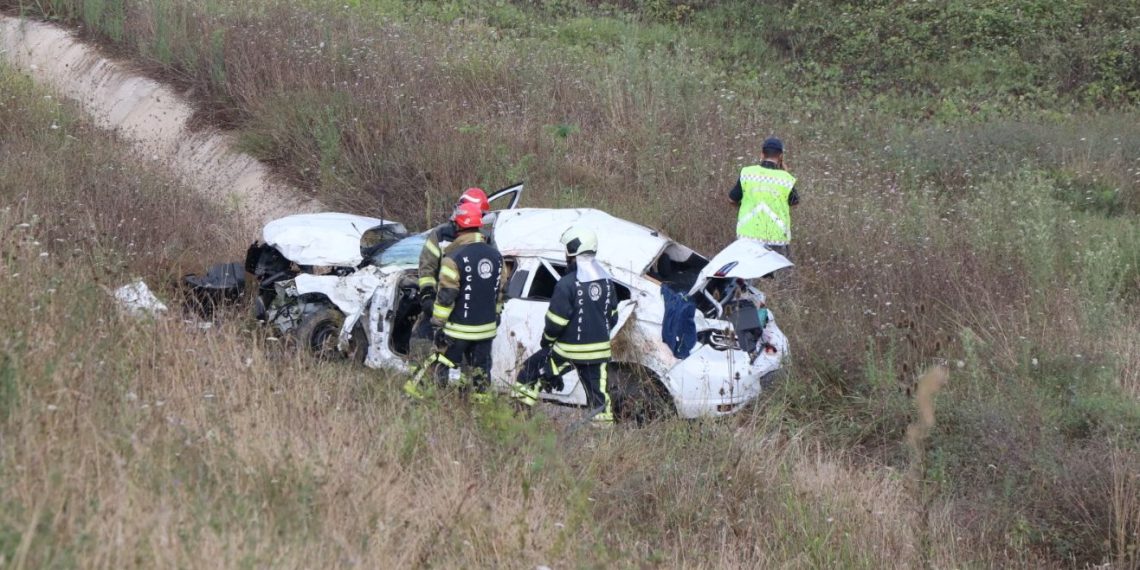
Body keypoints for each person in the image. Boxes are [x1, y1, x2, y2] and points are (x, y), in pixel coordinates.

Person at [511, 227, 619, 425]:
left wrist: (547, 342)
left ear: (572, 252)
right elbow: (612, 316)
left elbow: (556, 322)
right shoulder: (607, 281)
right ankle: (603, 439)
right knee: (599, 397)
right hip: (599, 353)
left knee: (531, 370)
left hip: (566, 352)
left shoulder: (566, 284)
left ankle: (520, 418)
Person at [404, 202, 506, 400]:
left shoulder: (454, 258)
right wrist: (496, 315)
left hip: (457, 331)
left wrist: (437, 325)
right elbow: (500, 293)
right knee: (480, 377)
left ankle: (419, 400)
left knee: (434, 367)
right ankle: (480, 413)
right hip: (486, 332)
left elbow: (446, 296)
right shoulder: (497, 257)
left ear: (458, 227)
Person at [411, 187, 492, 357]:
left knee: (467, 358)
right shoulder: (441, 235)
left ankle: (453, 381)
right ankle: (425, 379)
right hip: (441, 302)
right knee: (422, 342)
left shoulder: (486, 238)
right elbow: (427, 266)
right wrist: (427, 296)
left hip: (468, 307)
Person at [729, 136, 800, 259]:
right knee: (778, 275)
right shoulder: (786, 179)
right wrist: (784, 172)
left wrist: (744, 207)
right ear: (781, 156)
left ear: (762, 154)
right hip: (777, 238)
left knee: (748, 274)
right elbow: (794, 202)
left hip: (747, 235)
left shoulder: (747, 173)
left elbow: (731, 199)